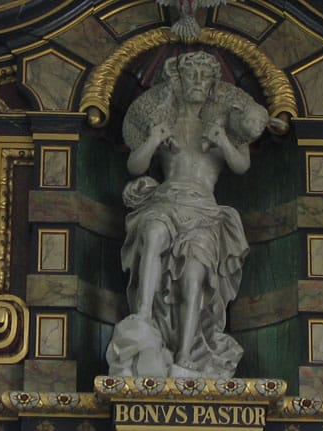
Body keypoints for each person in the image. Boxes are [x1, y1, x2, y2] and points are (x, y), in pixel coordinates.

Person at [106, 51, 272, 378]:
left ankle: (185, 356)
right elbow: (135, 165)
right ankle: (142, 318)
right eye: (191, 75)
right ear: (178, 80)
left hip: (204, 210)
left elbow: (241, 165)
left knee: (194, 277)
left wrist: (222, 140)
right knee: (152, 233)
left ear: (212, 84)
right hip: (166, 199)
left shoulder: (227, 123)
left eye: (204, 76)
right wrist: (153, 140)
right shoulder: (164, 119)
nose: (197, 81)